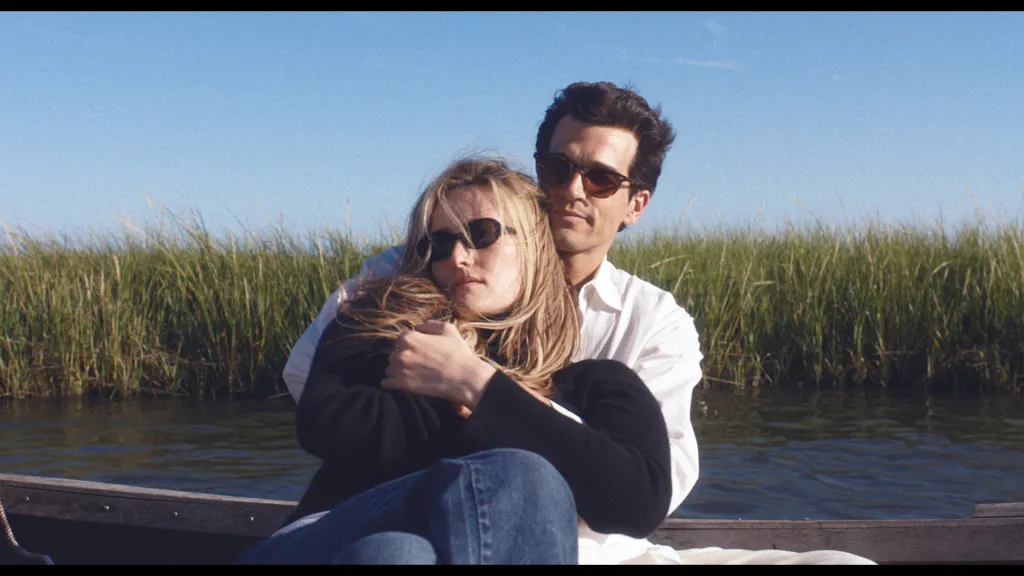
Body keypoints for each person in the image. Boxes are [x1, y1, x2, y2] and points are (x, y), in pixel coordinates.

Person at [282, 81, 875, 565]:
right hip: (398, 517)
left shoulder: (645, 329)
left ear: (635, 204)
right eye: (557, 167)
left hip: (596, 544)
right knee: (401, 548)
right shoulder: (409, 276)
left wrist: (478, 390)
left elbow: (649, 488)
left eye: (601, 178)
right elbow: (314, 393)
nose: (571, 190)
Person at [237, 157, 673, 564]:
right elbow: (328, 425)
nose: (458, 257)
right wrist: (493, 415)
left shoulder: (597, 384)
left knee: (396, 553)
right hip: (323, 534)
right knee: (520, 475)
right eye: (441, 243)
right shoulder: (386, 325)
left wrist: (475, 385)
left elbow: (637, 504)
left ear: (534, 244)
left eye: (483, 234)